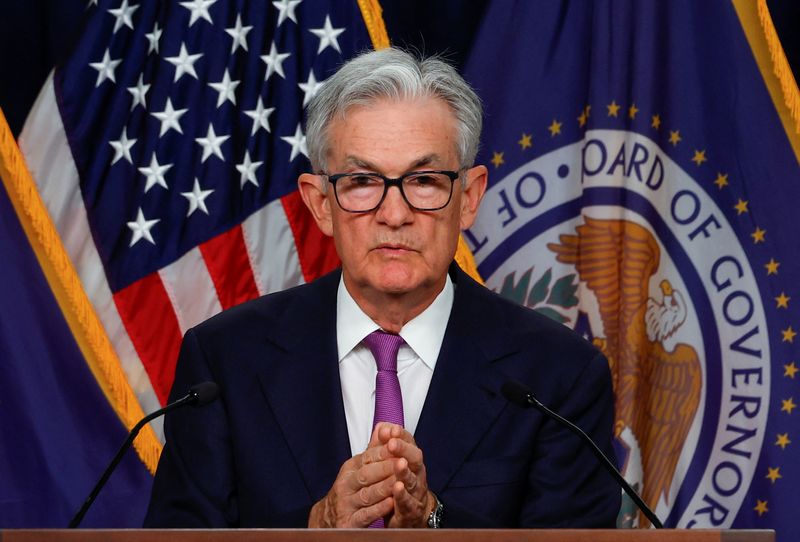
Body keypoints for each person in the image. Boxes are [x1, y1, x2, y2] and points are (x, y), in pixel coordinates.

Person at [144, 47, 620, 529]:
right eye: (363, 181)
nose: (394, 214)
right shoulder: (225, 361)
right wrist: (315, 530)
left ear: (469, 198)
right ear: (320, 203)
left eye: (426, 180)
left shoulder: (558, 379)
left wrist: (432, 522)